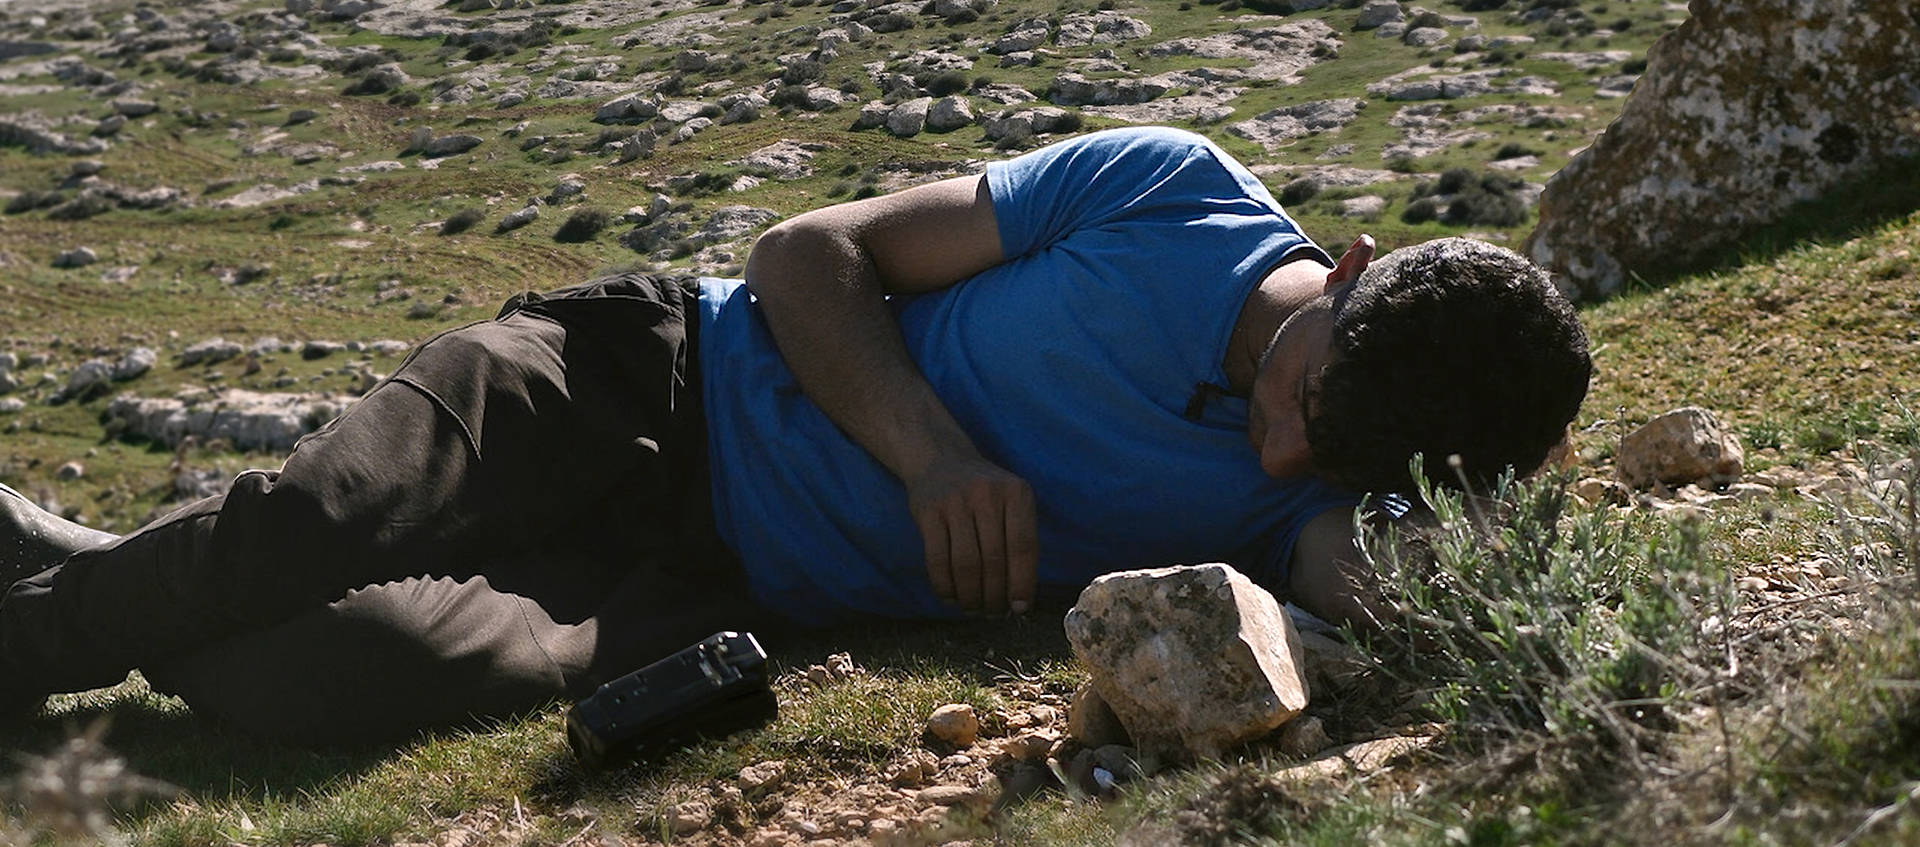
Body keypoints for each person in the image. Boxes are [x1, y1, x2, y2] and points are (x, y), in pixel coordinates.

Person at [0, 126, 1591, 743]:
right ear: (1357, 269)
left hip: (716, 590)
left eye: (1340, 466)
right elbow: (807, 256)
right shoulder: (1171, 191)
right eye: (1310, 405)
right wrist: (932, 454)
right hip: (643, 378)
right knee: (321, 523)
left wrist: (1506, 488)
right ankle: (43, 632)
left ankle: (98, 580)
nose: (1282, 464)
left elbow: (1402, 589)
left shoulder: (1305, 505)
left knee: (358, 684)